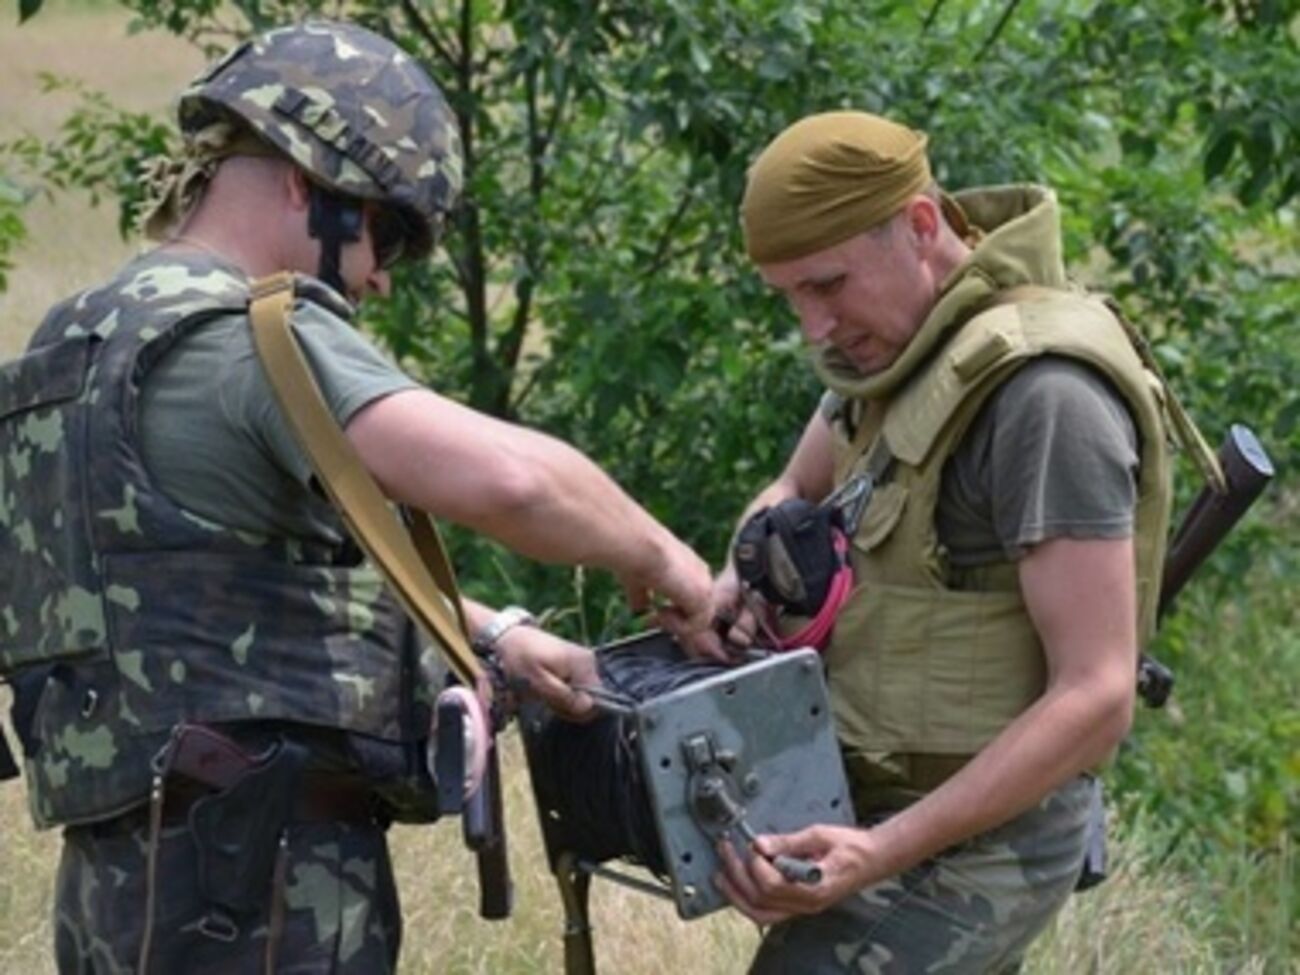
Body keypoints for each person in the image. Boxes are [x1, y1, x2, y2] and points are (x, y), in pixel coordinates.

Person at [0, 20, 719, 974]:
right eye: (385, 231)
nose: (379, 276)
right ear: (307, 181)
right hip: (260, 888)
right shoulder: (248, 336)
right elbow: (513, 482)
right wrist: (670, 562)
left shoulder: (71, 347)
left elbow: (200, 588)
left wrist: (491, 635)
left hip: (120, 891)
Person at [700, 112, 1175, 972]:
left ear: (921, 226)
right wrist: (740, 572)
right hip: (878, 789)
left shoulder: (1046, 397)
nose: (814, 326)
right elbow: (793, 486)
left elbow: (1099, 692)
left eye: (827, 284)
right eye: (790, 295)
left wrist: (874, 854)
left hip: (994, 833)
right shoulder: (901, 343)